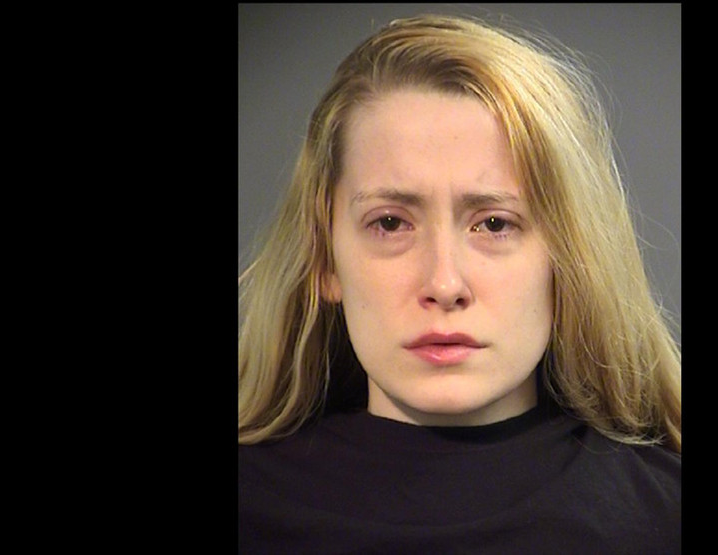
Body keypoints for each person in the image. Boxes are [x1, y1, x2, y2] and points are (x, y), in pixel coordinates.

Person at [238, 13, 681, 553]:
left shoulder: (664, 517)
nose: (445, 284)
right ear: (324, 259)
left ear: (569, 258)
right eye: (390, 223)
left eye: (494, 224)